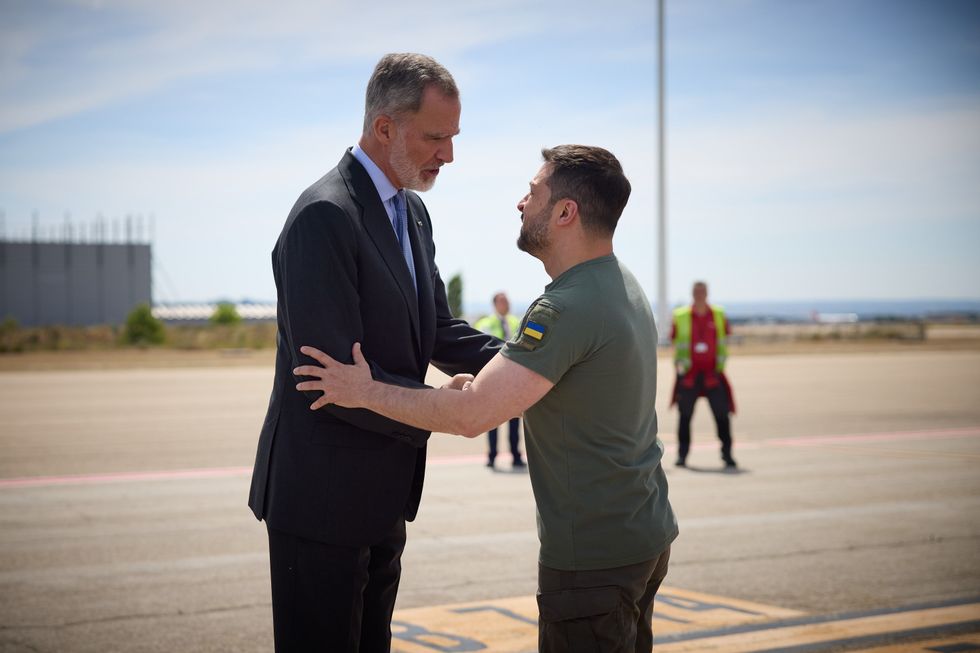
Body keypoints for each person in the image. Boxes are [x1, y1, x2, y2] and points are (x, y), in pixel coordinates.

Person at [294, 145, 679, 652]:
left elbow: (472, 414)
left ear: (566, 213)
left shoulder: (566, 306)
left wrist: (364, 390)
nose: (521, 203)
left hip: (594, 558)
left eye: (534, 192)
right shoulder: (620, 283)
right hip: (643, 535)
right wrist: (498, 376)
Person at [247, 53, 501, 652]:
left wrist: (529, 365)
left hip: (383, 493)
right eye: (436, 137)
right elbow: (328, 377)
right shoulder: (325, 216)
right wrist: (437, 407)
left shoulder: (410, 212)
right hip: (321, 500)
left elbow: (437, 330)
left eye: (453, 137)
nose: (449, 154)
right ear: (384, 127)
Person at [670, 281, 737, 469]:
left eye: (702, 292)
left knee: (722, 415)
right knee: (684, 416)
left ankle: (727, 454)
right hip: (689, 376)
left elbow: (726, 337)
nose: (699, 295)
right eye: (696, 292)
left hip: (712, 375)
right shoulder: (680, 315)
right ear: (692, 293)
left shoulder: (718, 314)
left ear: (707, 293)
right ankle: (682, 455)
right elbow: (674, 339)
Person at [473, 292, 524, 469]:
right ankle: (492, 456)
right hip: (494, 380)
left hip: (513, 380)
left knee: (515, 421)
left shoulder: (516, 322)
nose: (506, 304)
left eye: (508, 301)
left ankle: (516, 456)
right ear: (495, 304)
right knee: (492, 421)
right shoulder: (484, 324)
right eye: (503, 301)